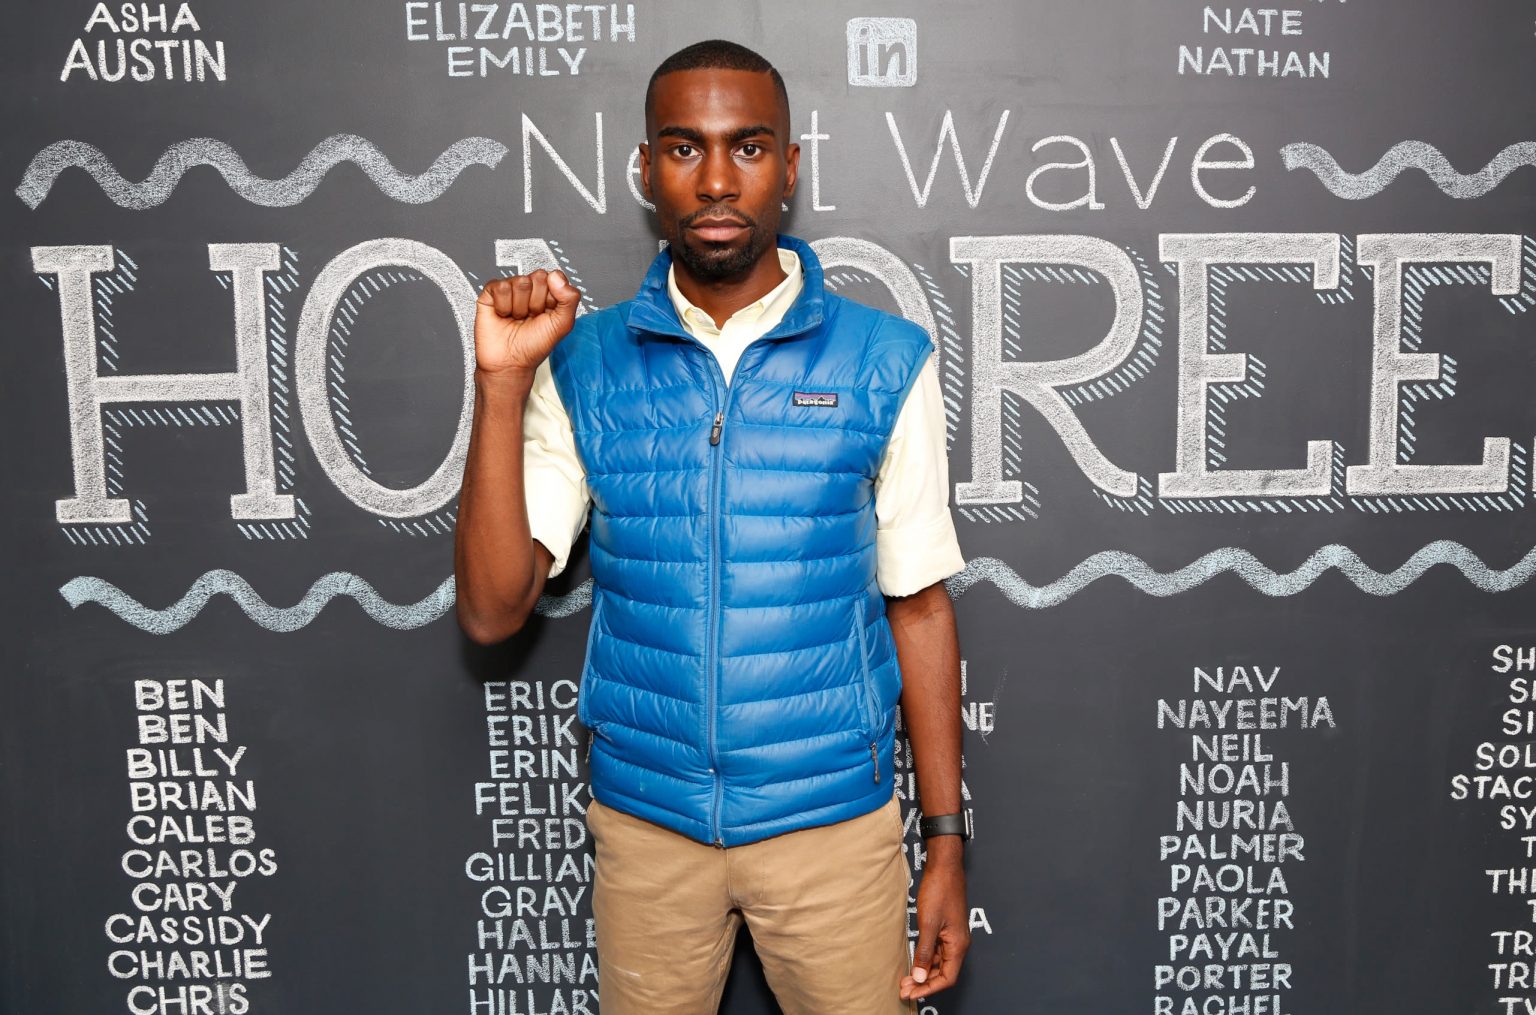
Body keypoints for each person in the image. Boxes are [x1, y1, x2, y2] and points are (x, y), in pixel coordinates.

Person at [454, 38, 970, 1014]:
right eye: (686, 148)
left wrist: (945, 840)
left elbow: (919, 603)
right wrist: (502, 382)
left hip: (832, 829)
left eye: (750, 147)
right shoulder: (584, 364)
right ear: (647, 169)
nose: (719, 180)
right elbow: (490, 610)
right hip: (649, 833)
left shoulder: (885, 358)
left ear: (790, 167)